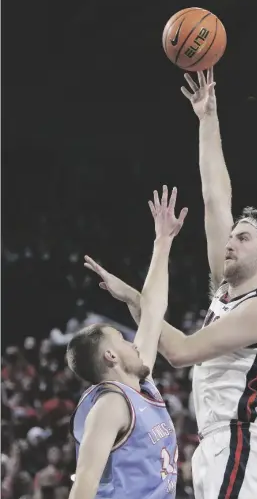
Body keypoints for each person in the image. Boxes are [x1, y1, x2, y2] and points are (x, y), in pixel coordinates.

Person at [85, 69, 257, 499]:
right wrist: (207, 118)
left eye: (243, 237)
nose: (230, 242)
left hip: (243, 444)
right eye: (232, 234)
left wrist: (132, 295)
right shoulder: (226, 292)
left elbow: (179, 351)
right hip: (215, 446)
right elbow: (215, 198)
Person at [67, 186, 188, 499]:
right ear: (110, 356)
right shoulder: (110, 406)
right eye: (122, 339)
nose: (133, 342)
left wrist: (163, 242)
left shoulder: (138, 384)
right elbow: (83, 483)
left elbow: (152, 311)